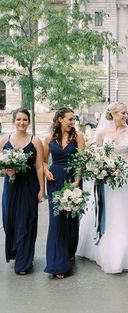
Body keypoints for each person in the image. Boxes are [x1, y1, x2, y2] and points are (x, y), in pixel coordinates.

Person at [78, 102, 128, 274]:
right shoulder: (101, 132)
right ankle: (110, 251)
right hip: (108, 178)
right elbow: (97, 156)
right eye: (123, 113)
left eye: (126, 113)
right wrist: (103, 169)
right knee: (113, 211)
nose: (125, 116)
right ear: (114, 114)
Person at [0, 108, 45, 275]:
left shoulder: (35, 141)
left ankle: (24, 262)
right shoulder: (4, 140)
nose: (22, 123)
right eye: (19, 119)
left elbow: (39, 166)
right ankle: (16, 252)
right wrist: (6, 171)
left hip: (29, 186)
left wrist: (42, 190)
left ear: (29, 122)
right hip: (11, 187)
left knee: (27, 220)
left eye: (25, 120)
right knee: (9, 220)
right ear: (14, 121)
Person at [44, 107, 85, 279]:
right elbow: (43, 161)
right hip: (54, 179)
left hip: (72, 179)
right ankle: (57, 263)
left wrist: (77, 181)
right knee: (56, 219)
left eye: (73, 119)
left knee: (70, 217)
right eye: (69, 119)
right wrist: (46, 170)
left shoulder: (78, 137)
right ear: (60, 119)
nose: (72, 122)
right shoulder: (49, 137)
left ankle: (69, 250)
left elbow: (82, 161)